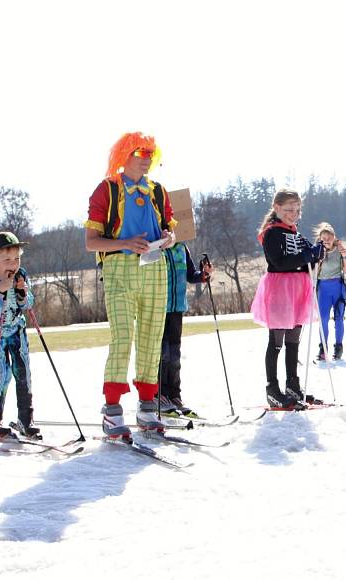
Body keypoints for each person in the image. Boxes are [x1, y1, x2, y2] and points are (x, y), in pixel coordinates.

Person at [84, 132, 176, 438]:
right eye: (141, 152)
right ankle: (112, 410)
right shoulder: (107, 190)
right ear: (125, 155)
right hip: (119, 267)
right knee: (122, 337)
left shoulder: (159, 192)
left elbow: (169, 228)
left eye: (151, 153)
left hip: (154, 266)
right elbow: (90, 242)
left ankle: (147, 406)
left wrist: (169, 238)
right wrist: (125, 242)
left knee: (152, 338)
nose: (148, 158)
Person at [251, 188, 324, 407]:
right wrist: (305, 256)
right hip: (280, 289)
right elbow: (280, 262)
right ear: (277, 208)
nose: (294, 213)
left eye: (297, 210)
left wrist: (316, 255)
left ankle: (293, 386)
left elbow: (306, 260)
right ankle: (272, 389)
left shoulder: (295, 233)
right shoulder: (272, 232)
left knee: (294, 340)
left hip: (298, 289)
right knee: (277, 341)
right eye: (289, 209)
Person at [0, 232, 41, 439]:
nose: (13, 264)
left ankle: (26, 420)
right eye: (7, 260)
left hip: (16, 330)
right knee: (2, 375)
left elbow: (28, 304)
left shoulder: (20, 275)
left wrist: (23, 292)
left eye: (17, 258)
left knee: (23, 373)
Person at [155, 242, 213, 418]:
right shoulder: (156, 244)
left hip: (177, 307)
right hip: (158, 307)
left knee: (175, 355)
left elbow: (191, 274)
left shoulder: (181, 247)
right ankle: (159, 396)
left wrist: (204, 274)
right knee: (162, 354)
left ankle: (175, 396)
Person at [313, 222, 346, 362]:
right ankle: (323, 349)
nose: (327, 239)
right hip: (323, 287)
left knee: (339, 318)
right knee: (323, 319)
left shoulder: (340, 250)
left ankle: (338, 348)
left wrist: (344, 254)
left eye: (329, 236)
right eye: (324, 237)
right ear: (320, 238)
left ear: (334, 237)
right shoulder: (317, 251)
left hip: (339, 287)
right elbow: (313, 271)